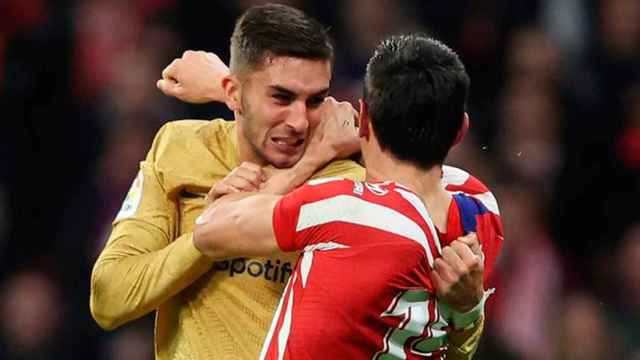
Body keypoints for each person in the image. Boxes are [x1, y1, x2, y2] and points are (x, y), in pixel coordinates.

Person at [91, 4, 488, 359]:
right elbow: (109, 299)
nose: (299, 121)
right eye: (281, 97)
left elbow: (434, 348)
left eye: (315, 100)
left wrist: (467, 311)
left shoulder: (355, 184)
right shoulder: (180, 148)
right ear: (232, 91)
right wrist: (205, 240)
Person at [192, 34, 503, 359]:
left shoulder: (347, 210)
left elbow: (209, 230)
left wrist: (317, 152)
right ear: (460, 131)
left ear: (364, 118)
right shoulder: (481, 212)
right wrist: (468, 309)